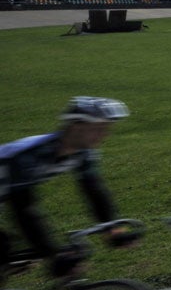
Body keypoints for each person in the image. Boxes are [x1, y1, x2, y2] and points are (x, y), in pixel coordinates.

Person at [0, 97, 136, 278]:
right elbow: (24, 210)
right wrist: (54, 255)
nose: (104, 135)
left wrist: (112, 228)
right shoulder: (27, 157)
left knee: (21, 252)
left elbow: (94, 190)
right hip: (12, 197)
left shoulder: (83, 152)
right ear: (75, 126)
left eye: (106, 129)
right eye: (98, 129)